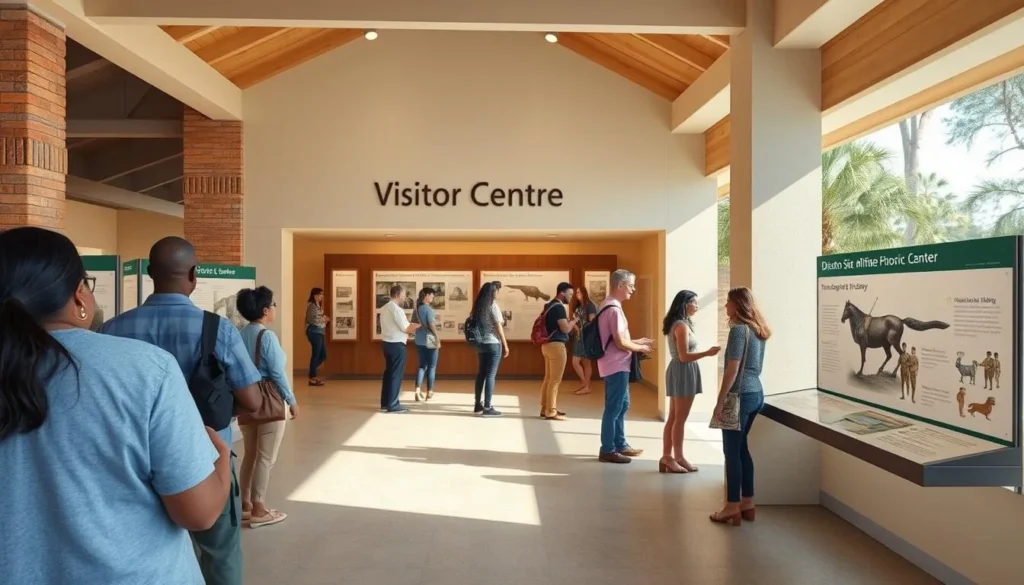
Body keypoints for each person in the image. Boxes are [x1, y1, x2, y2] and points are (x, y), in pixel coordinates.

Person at [0, 227, 233, 585]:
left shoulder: (120, 336)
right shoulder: (146, 368)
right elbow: (198, 513)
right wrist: (219, 461)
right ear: (79, 294)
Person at [100, 237, 262, 585]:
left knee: (144, 549)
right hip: (206, 457)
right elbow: (253, 401)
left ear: (148, 273)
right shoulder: (217, 329)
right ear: (194, 275)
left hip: (131, 461)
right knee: (220, 552)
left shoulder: (113, 329)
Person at [236, 286, 298, 529]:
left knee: (249, 454)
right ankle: (260, 508)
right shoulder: (267, 336)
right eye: (273, 305)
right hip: (268, 399)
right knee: (265, 457)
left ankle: (245, 505)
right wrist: (291, 400)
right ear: (264, 310)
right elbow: (277, 373)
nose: (274, 309)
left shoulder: (239, 335)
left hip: (245, 397)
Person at [710, 287, 770, 526]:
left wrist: (720, 399)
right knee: (742, 449)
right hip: (756, 393)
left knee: (731, 452)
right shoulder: (758, 330)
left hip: (739, 395)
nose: (725, 307)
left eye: (728, 303)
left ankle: (731, 506)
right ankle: (748, 503)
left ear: (737, 305)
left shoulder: (738, 330)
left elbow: (732, 369)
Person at [596, 269, 652, 463]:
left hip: (615, 363)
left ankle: (620, 444)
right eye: (630, 285)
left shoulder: (608, 305)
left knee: (622, 405)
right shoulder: (614, 309)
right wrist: (639, 346)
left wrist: (635, 341)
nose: (633, 289)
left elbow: (614, 339)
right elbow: (620, 342)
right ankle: (608, 449)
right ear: (620, 285)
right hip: (616, 364)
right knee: (614, 407)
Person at [660, 290, 719, 474]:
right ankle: (677, 457)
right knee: (679, 419)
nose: (697, 306)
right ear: (685, 304)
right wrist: (707, 353)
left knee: (673, 418)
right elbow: (684, 356)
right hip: (683, 371)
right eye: (694, 302)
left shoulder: (680, 324)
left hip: (680, 370)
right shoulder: (681, 326)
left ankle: (668, 457)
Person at [379, 285, 420, 413]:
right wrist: (419, 325)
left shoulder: (385, 308)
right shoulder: (397, 309)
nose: (404, 297)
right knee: (396, 374)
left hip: (387, 344)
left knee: (389, 374)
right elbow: (406, 328)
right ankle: (393, 404)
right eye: (403, 294)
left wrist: (410, 326)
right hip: (397, 345)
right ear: (397, 295)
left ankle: (385, 402)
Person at [539, 282, 577, 420]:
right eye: (570, 294)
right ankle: (551, 411)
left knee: (548, 379)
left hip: (546, 346)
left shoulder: (548, 306)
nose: (571, 297)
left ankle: (545, 408)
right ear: (562, 292)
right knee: (554, 380)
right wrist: (574, 321)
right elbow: (565, 329)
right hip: (556, 346)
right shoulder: (559, 308)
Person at [471, 282, 508, 417]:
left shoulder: (478, 307)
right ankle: (487, 406)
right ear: (492, 292)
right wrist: (505, 344)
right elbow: (498, 327)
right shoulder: (493, 306)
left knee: (481, 374)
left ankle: (477, 404)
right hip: (493, 343)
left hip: (481, 344)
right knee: (491, 375)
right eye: (497, 291)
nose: (498, 293)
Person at [568, 286, 598, 395]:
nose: (577, 294)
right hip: (578, 337)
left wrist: (582, 326)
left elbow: (592, 322)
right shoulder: (579, 306)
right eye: (576, 292)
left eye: (579, 292)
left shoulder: (590, 306)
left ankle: (585, 385)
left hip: (586, 337)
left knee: (584, 362)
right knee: (579, 362)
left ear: (584, 293)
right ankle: (585, 385)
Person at [412, 287, 440, 402]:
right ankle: (430, 391)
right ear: (427, 296)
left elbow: (413, 324)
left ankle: (418, 389)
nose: (433, 297)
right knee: (432, 366)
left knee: (422, 366)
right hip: (430, 339)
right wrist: (437, 337)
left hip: (419, 340)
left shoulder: (416, 310)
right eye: (432, 295)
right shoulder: (428, 309)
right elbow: (432, 324)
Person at [305, 288, 329, 386]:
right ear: (314, 295)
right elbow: (312, 320)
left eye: (322, 295)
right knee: (316, 354)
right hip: (314, 332)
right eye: (320, 295)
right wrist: (324, 320)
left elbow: (319, 318)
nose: (321, 296)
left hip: (320, 332)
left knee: (323, 355)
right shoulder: (311, 306)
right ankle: (312, 377)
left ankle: (312, 372)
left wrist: (323, 319)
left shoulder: (318, 305)